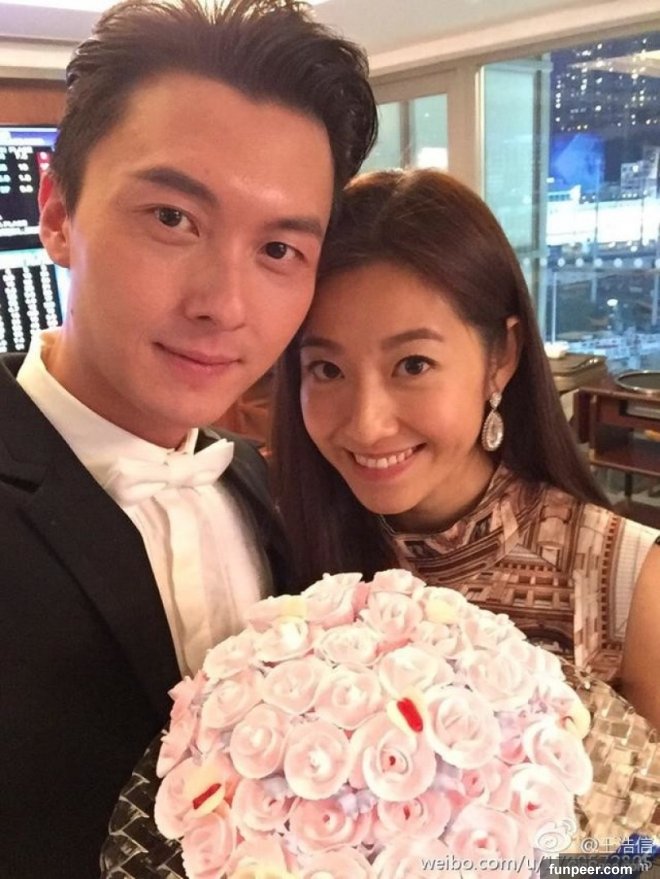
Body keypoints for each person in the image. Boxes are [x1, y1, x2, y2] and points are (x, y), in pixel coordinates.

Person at [0, 1, 376, 875]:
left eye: (279, 250)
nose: (224, 305)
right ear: (58, 212)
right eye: (173, 218)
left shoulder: (266, 488)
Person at [271, 168, 660, 731]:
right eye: (327, 369)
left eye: (413, 365)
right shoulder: (275, 542)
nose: (367, 424)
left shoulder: (625, 583)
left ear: (501, 356)